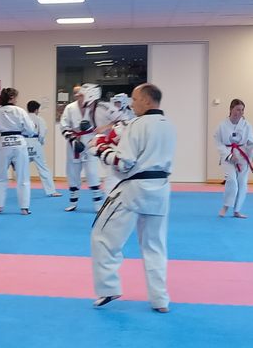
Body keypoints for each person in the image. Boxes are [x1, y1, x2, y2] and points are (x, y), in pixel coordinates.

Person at [90, 83, 175, 313]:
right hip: (161, 189)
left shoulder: (138, 124)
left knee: (101, 236)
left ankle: (108, 288)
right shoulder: (169, 126)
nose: (131, 103)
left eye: (135, 99)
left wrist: (101, 148)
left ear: (148, 101)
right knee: (155, 246)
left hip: (134, 190)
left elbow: (123, 162)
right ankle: (160, 300)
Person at [59, 83, 115, 212]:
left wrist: (102, 131)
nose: (79, 96)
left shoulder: (96, 108)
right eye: (77, 94)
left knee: (92, 172)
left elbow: (110, 122)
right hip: (74, 143)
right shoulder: (70, 108)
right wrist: (72, 140)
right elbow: (64, 126)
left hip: (91, 141)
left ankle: (97, 203)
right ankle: (73, 202)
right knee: (73, 172)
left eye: (81, 93)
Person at [214, 99, 253, 218]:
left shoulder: (247, 125)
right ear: (230, 109)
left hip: (243, 156)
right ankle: (225, 206)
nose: (239, 112)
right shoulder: (222, 125)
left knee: (242, 184)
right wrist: (229, 155)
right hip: (228, 156)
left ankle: (237, 210)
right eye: (237, 109)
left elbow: (252, 143)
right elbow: (218, 142)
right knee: (232, 181)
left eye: (242, 110)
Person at [0, 87, 33, 215]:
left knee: (0, 176)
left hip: (3, 141)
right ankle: (24, 208)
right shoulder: (20, 111)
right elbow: (30, 129)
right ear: (12, 98)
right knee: (23, 176)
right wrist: (24, 132)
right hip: (19, 141)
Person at [24, 100, 62, 197]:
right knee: (43, 167)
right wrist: (40, 142)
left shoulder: (23, 118)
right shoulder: (39, 119)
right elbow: (42, 133)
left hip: (23, 143)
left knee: (22, 167)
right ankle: (51, 191)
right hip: (35, 143)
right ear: (36, 109)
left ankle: (23, 190)